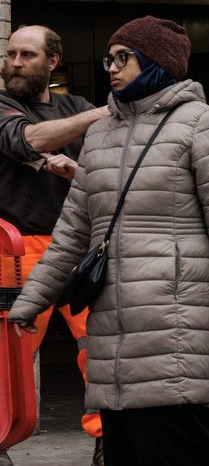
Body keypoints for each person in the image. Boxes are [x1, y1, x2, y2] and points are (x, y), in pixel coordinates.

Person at [7, 15, 209, 465]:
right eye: (110, 57)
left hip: (172, 305)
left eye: (124, 58)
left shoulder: (200, 123)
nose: (112, 67)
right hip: (110, 312)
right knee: (123, 428)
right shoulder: (101, 132)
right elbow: (70, 235)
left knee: (176, 422)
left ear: (156, 62)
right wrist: (32, 300)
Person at [0, 25, 110, 465]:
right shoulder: (4, 105)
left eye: (27, 55)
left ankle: (108, 440)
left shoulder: (74, 105)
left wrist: (78, 170)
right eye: (11, 54)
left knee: (99, 348)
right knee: (10, 353)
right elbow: (27, 139)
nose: (15, 63)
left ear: (53, 62)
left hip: (80, 246)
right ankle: (1, 441)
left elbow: (109, 171)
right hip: (16, 248)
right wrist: (98, 116)